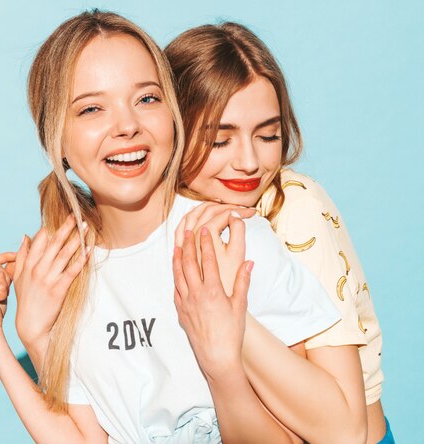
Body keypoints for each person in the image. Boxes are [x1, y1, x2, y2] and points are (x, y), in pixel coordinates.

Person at [0, 10, 348, 444]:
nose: (127, 126)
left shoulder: (228, 239)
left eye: (147, 99)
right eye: (91, 109)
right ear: (57, 139)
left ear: (173, 115)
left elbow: (306, 437)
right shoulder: (63, 276)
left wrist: (223, 362)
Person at [166, 22, 392, 443]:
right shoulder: (171, 216)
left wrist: (222, 311)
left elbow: (345, 429)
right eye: (220, 141)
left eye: (268, 135)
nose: (249, 162)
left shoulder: (295, 207)